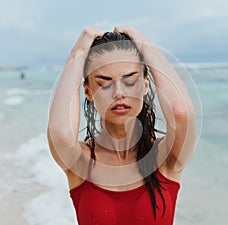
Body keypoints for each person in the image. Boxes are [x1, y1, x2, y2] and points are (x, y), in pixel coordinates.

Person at [47, 27, 196, 225]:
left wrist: (147, 47)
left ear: (145, 85)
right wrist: (78, 53)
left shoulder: (165, 158)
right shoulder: (82, 162)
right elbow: (60, 133)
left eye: (130, 80)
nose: (119, 93)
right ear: (88, 91)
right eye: (105, 83)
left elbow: (180, 112)